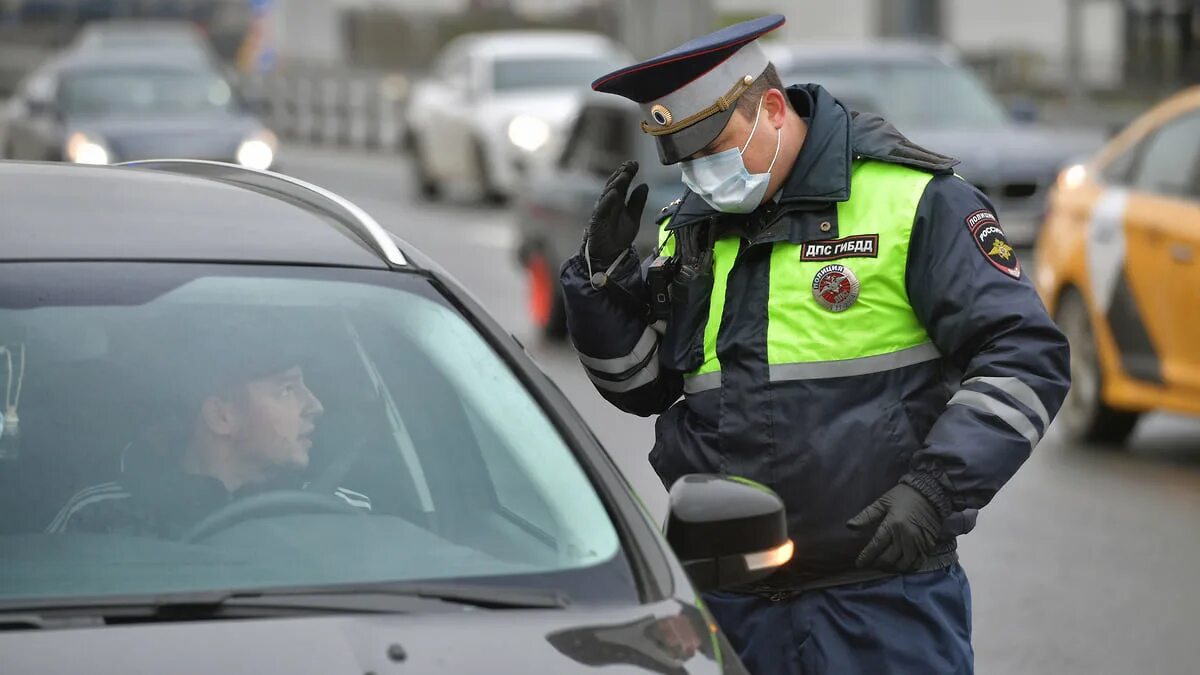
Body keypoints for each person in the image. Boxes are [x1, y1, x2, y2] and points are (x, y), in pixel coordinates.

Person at [560, 14, 1070, 675]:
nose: (703, 175)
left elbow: (1025, 353)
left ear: (772, 108)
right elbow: (641, 386)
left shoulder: (913, 200)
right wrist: (602, 284)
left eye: (715, 149)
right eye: (686, 161)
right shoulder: (692, 229)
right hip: (729, 604)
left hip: (880, 601)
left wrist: (937, 489)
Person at [46, 316, 370, 538]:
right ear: (221, 416)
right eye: (286, 389)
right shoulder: (97, 517)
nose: (315, 406)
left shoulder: (339, 512)